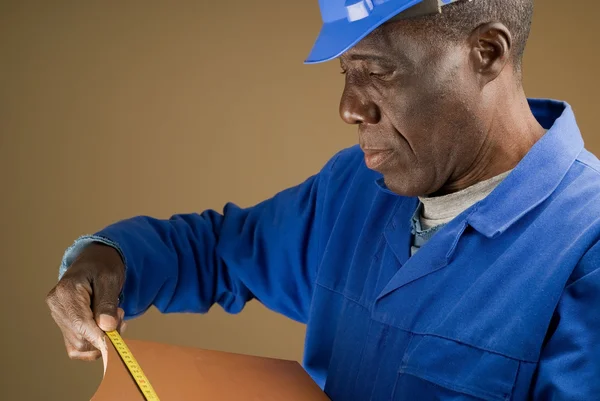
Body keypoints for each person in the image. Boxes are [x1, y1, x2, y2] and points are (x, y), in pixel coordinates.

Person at [46, 0, 600, 399]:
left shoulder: (586, 250)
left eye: (377, 71)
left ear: (487, 51)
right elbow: (218, 250)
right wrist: (106, 260)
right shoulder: (356, 191)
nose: (349, 108)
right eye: (345, 72)